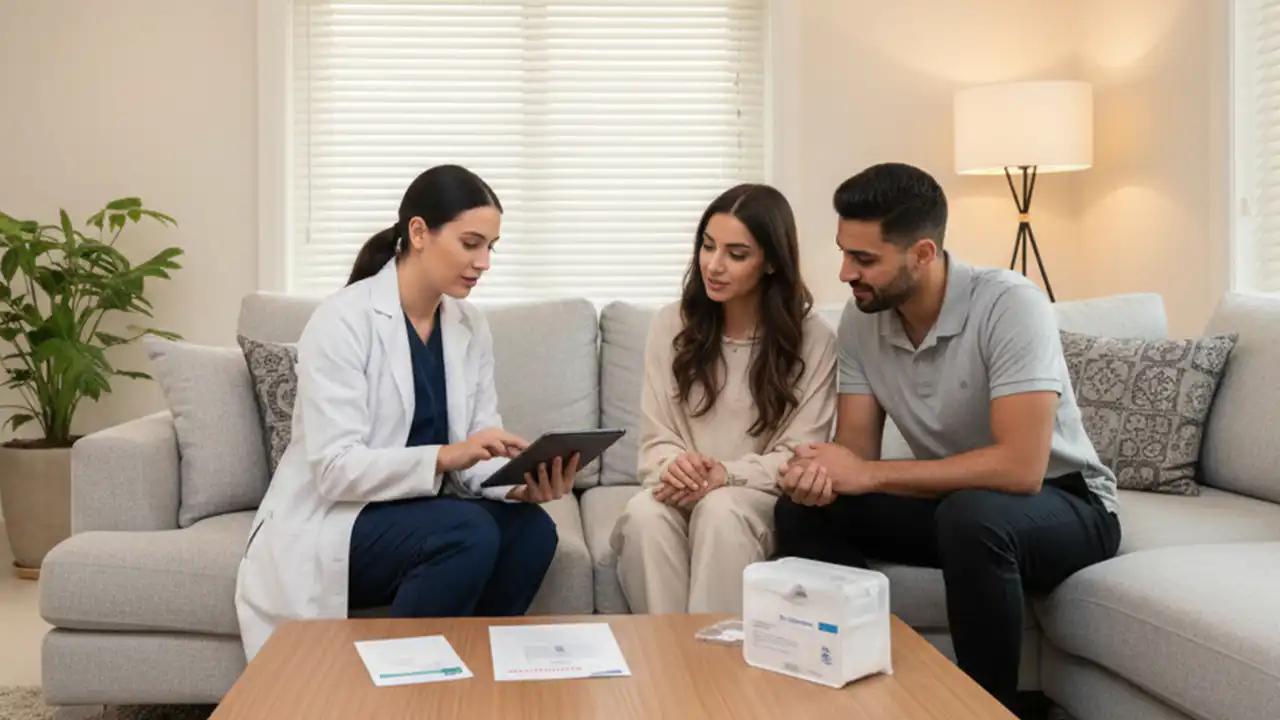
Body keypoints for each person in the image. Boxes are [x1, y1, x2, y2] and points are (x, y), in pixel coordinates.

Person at [772, 162, 1121, 718]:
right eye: (843, 252)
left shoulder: (1010, 304)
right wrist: (820, 476)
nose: (844, 273)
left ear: (923, 254)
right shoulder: (864, 319)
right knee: (802, 514)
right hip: (956, 509)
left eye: (864, 259)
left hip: (1066, 505)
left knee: (973, 516)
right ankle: (864, 683)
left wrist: (871, 474)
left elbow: (1021, 469)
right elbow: (856, 456)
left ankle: (988, 709)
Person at [235, 165, 578, 663]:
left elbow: (478, 448)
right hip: (342, 520)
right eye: (470, 243)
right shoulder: (343, 321)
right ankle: (404, 692)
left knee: (533, 532)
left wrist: (519, 484)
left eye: (490, 247)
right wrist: (443, 456)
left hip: (421, 516)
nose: (483, 262)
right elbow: (334, 471)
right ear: (419, 233)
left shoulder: (468, 326)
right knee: (467, 532)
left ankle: (472, 682)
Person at [610, 183, 837, 614]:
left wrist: (725, 475)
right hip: (679, 486)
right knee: (643, 517)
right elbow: (656, 437)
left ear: (770, 262)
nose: (714, 266)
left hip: (752, 495)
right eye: (708, 246)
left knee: (719, 512)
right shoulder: (671, 324)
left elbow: (800, 453)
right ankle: (670, 663)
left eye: (736, 254)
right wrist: (678, 466)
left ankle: (714, 667)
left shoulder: (812, 338)